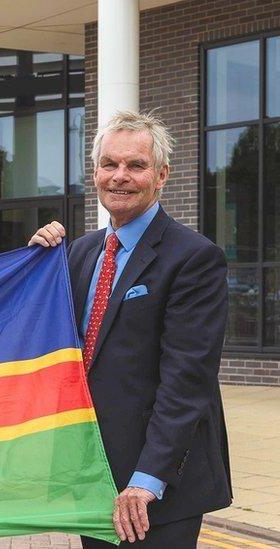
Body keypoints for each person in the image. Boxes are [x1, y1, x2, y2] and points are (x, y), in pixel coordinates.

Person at [29, 111, 231, 547]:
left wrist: (147, 480)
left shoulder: (194, 258)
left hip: (155, 486)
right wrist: (33, 266)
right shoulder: (77, 253)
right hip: (95, 473)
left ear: (161, 176)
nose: (120, 177)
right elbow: (46, 341)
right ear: (96, 172)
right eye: (109, 164)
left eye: (136, 166)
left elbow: (187, 380)